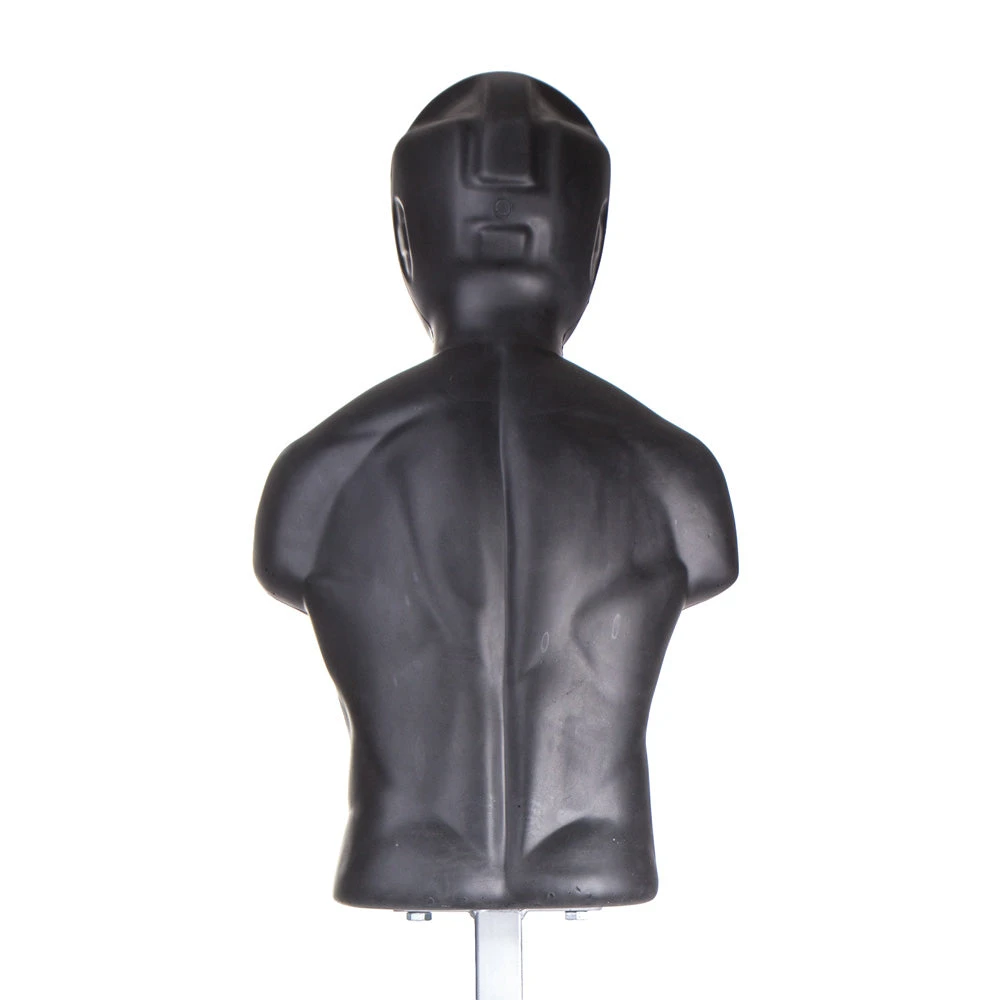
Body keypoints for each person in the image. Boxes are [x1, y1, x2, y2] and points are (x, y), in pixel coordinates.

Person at [253, 72, 738, 911]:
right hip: (597, 848)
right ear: (592, 240)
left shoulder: (316, 478)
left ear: (408, 237)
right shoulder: (677, 478)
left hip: (403, 852)